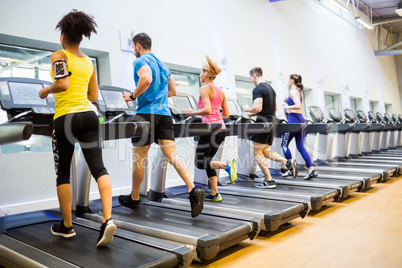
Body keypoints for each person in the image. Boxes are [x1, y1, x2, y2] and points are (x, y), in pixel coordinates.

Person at [38, 10, 116, 247]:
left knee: (63, 173)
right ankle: (108, 219)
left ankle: (67, 226)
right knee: (99, 168)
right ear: (82, 37)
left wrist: (45, 91)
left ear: (63, 35)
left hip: (67, 118)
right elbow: (93, 95)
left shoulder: (58, 55)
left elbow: (62, 84)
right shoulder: (89, 62)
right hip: (90, 117)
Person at [119, 33, 205, 217]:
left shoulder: (140, 61)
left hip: (145, 115)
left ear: (138, 46)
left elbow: (146, 79)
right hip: (165, 115)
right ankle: (192, 189)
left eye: (134, 47)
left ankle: (134, 198)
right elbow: (173, 91)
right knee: (173, 155)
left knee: (140, 158)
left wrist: (132, 96)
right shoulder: (163, 65)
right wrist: (158, 97)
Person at [186, 56, 237, 202]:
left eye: (201, 72)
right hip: (221, 129)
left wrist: (192, 112)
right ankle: (215, 193)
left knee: (199, 162)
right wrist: (216, 115)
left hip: (210, 129)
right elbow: (226, 114)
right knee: (207, 160)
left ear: (207, 74)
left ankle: (226, 165)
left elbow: (207, 109)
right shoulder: (220, 92)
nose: (200, 75)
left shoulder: (204, 89)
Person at [243, 67, 298, 189]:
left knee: (257, 152)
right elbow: (275, 108)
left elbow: (257, 107)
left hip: (262, 124)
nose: (251, 80)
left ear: (254, 76)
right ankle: (286, 162)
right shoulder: (271, 89)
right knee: (265, 151)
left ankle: (269, 180)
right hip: (272, 123)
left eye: (251, 78)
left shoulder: (258, 89)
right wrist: (256, 113)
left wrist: (247, 109)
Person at [281, 74, 317, 180]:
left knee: (284, 145)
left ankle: (291, 169)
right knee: (300, 147)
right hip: (300, 120)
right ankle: (311, 170)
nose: (287, 82)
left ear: (292, 81)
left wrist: (286, 106)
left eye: (288, 80)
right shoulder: (299, 91)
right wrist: (287, 101)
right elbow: (296, 103)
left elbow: (298, 105)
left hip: (293, 121)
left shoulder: (293, 91)